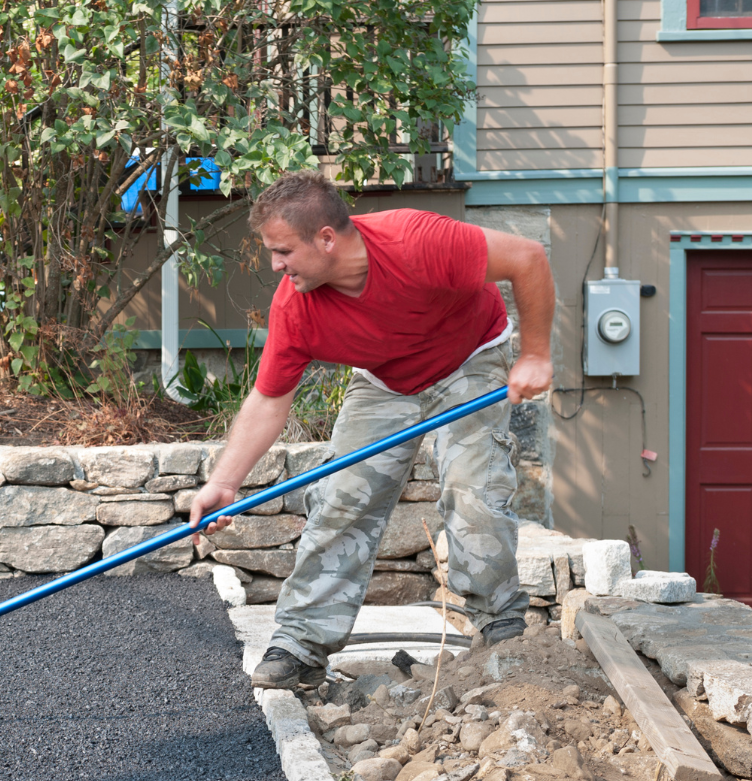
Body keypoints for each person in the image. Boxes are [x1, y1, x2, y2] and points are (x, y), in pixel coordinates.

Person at [188, 170, 555, 691]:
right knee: (342, 496)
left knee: (473, 490)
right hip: (384, 377)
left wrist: (537, 355)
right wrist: (224, 483)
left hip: (468, 359)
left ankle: (500, 624)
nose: (275, 265)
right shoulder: (297, 305)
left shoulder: (418, 242)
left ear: (326, 238)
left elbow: (528, 259)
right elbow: (269, 399)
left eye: (283, 251)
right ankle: (301, 645)